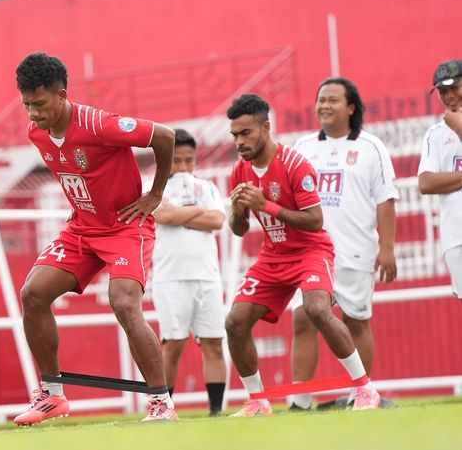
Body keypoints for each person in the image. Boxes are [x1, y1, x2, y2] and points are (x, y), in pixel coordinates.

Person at [13, 52, 177, 425]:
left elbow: (164, 136)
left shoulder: (101, 124)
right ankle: (52, 397)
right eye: (26, 104)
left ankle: (161, 402)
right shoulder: (35, 133)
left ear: (61, 94)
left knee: (123, 303)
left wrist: (154, 196)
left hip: (125, 227)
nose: (33, 113)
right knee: (32, 294)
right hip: (82, 229)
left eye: (39, 103)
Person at [225, 93, 381, 417]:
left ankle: (365, 388)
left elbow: (315, 221)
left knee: (316, 310)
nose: (239, 142)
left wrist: (264, 204)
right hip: (274, 256)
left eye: (245, 133)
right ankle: (258, 401)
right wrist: (237, 211)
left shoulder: (295, 164)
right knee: (235, 322)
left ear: (265, 128)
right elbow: (239, 229)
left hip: (310, 250)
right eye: (235, 135)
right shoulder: (239, 172)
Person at [288, 78, 399, 411]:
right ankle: (300, 402)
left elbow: (386, 199)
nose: (324, 106)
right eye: (321, 99)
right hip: (309, 252)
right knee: (303, 318)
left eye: (333, 100)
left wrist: (387, 248)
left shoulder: (371, 147)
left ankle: (360, 397)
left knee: (355, 321)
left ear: (351, 107)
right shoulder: (303, 146)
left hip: (354, 251)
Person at [146, 129, 227, 416]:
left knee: (214, 344)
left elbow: (217, 220)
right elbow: (163, 216)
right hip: (170, 276)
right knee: (173, 343)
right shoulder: (153, 188)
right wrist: (196, 211)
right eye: (176, 160)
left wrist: (180, 212)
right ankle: (164, 408)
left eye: (188, 161)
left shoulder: (207, 187)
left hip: (207, 275)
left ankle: (216, 412)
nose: (182, 167)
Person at [418, 59, 462, 305]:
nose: (448, 96)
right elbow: (426, 183)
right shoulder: (435, 133)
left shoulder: (453, 125)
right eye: (442, 91)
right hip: (456, 235)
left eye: (454, 88)